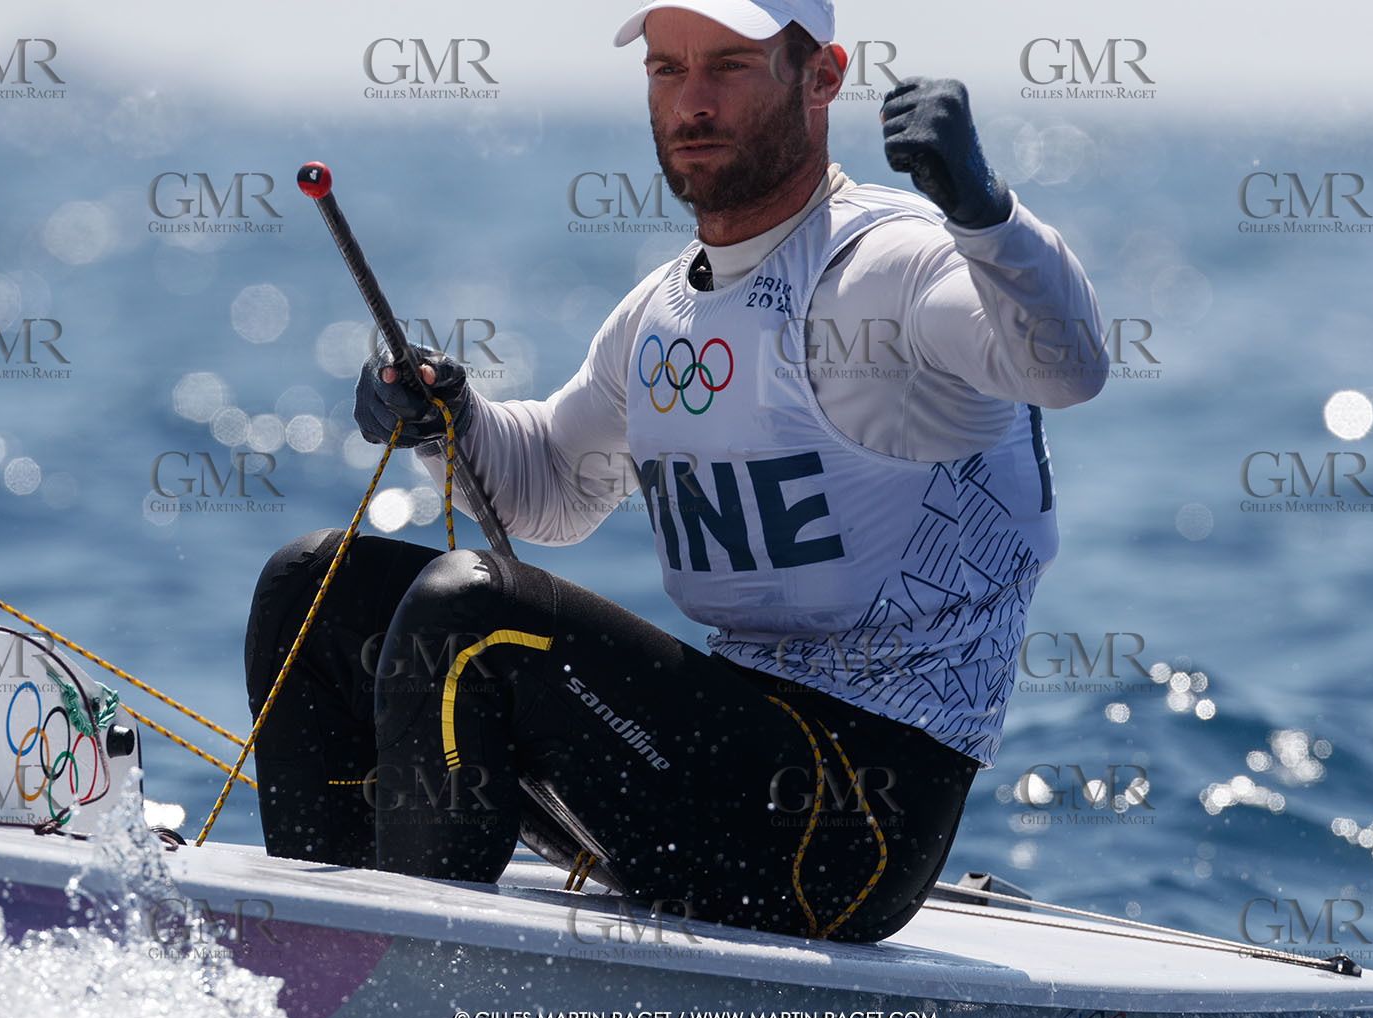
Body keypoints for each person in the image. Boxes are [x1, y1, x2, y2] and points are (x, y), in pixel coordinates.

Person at [244, 0, 1105, 942]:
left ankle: (411, 981)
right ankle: (311, 953)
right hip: (712, 772)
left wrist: (986, 212)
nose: (691, 101)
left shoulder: (896, 265)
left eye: (728, 67)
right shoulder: (663, 313)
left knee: (469, 610)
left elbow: (1065, 365)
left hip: (850, 829)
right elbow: (553, 485)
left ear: (822, 78)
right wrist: (448, 418)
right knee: (312, 586)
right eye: (666, 70)